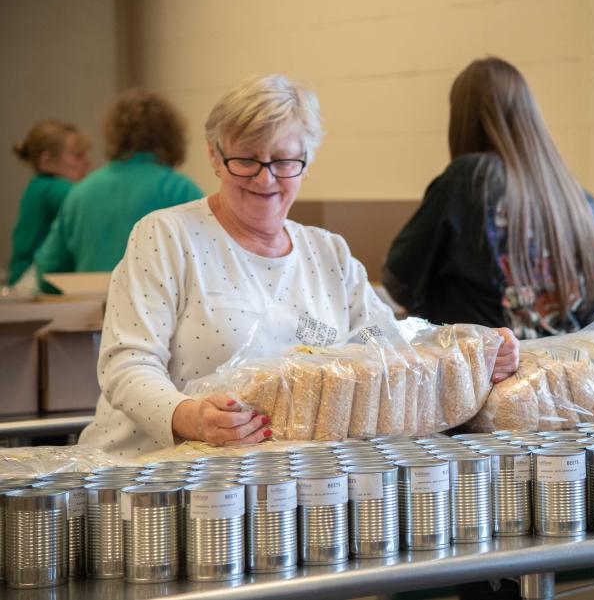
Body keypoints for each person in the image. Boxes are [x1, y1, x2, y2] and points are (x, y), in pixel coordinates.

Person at [78, 74, 519, 458]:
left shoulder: (328, 255)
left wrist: (471, 351)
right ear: (215, 156)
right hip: (152, 478)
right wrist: (187, 417)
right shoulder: (167, 237)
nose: (265, 178)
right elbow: (127, 364)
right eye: (246, 159)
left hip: (277, 489)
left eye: (284, 161)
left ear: (305, 163)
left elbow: (383, 347)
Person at [383, 57, 594, 340]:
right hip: (561, 373)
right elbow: (589, 306)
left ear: (464, 120)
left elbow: (398, 277)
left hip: (486, 373)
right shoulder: (580, 201)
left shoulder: (469, 178)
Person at [33, 90, 203, 288]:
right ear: (173, 136)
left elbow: (47, 269)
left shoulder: (80, 193)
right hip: (158, 313)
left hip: (92, 313)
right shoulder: (179, 190)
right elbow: (211, 262)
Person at [8, 120, 91, 285]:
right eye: (77, 155)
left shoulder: (38, 187)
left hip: (21, 279)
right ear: (47, 161)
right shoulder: (57, 190)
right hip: (34, 283)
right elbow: (90, 207)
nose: (87, 162)